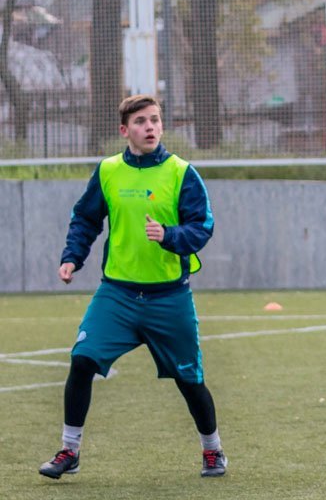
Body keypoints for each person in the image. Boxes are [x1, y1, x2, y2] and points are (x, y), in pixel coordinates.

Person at [40, 94, 226, 480]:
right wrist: (72, 257)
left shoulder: (181, 172)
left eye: (155, 120)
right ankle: (69, 450)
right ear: (125, 130)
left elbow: (202, 226)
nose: (151, 127)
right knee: (82, 360)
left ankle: (213, 450)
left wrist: (170, 235)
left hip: (169, 298)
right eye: (141, 121)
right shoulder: (108, 171)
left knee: (190, 380)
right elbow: (85, 219)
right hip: (118, 295)